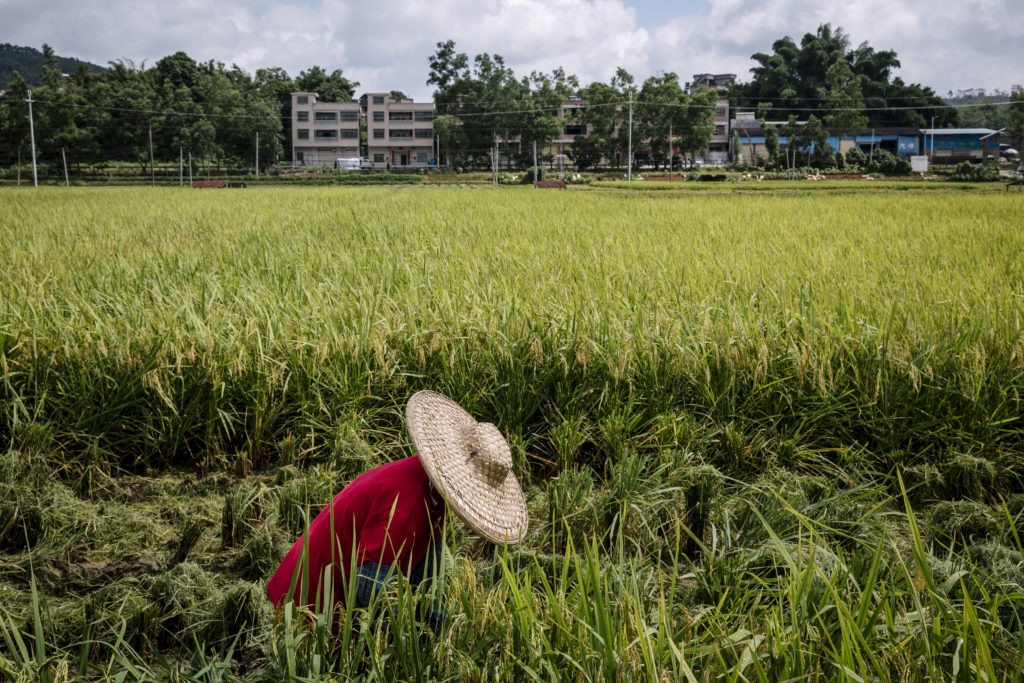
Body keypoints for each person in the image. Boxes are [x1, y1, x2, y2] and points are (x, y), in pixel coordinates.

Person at [266, 390, 529, 631]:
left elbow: (430, 570)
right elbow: (369, 585)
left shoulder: (435, 491)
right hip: (309, 600)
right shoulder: (408, 503)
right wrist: (408, 636)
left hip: (339, 582)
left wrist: (440, 627)